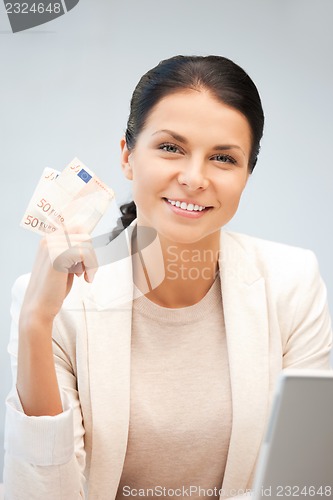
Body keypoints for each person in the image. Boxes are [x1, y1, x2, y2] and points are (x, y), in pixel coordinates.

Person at [4, 55, 332, 500]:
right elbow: (43, 494)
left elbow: (304, 486)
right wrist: (35, 324)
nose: (194, 178)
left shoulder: (292, 283)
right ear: (127, 155)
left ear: (246, 175)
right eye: (171, 148)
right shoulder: (53, 306)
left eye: (223, 157)